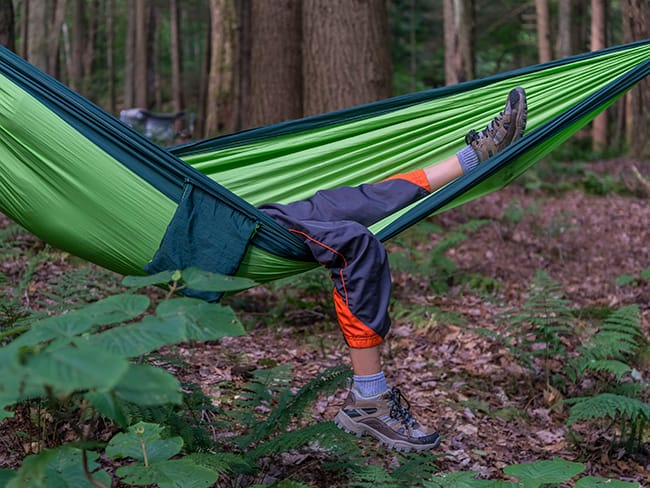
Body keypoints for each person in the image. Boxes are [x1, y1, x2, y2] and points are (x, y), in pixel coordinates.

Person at [259, 87, 528, 452]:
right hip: (220, 229)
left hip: (230, 210)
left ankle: (474, 156)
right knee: (356, 244)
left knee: (340, 202)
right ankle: (370, 398)